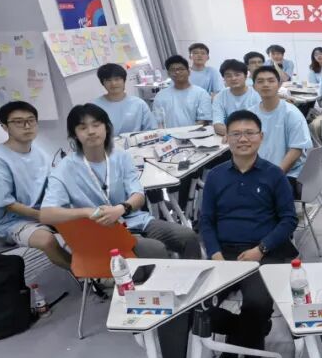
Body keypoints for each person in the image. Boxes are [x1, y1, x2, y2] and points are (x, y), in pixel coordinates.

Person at [200, 110, 299, 358]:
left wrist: (261, 249)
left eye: (249, 133)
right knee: (199, 307)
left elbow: (289, 220)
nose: (243, 139)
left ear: (261, 137)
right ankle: (253, 333)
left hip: (264, 250)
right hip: (224, 252)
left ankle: (233, 347)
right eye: (236, 134)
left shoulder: (274, 175)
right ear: (227, 138)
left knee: (257, 302)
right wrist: (215, 253)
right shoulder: (215, 176)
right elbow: (206, 221)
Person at [39, 104, 201, 260]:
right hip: (100, 231)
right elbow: (46, 215)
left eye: (96, 125)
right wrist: (87, 212)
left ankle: (196, 278)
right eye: (83, 128)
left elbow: (138, 195)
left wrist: (121, 208)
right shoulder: (65, 168)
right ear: (74, 134)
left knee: (188, 237)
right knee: (155, 249)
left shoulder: (120, 156)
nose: (91, 131)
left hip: (134, 221)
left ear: (106, 128)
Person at [0, 101, 71, 270]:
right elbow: (8, 204)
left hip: (44, 211)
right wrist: (44, 216)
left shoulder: (39, 151)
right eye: (18, 122)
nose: (27, 126)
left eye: (31, 120)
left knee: (92, 217)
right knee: (47, 240)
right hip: (12, 222)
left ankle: (99, 261)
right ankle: (85, 274)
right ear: (5, 127)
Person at [250, 66, 312, 196]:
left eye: (271, 80)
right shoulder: (250, 114)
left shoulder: (291, 113)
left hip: (287, 173)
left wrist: (274, 176)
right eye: (260, 81)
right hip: (257, 172)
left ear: (279, 85)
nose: (265, 84)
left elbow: (296, 150)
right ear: (254, 86)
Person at [93, 63, 154, 134]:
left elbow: (151, 130)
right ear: (102, 83)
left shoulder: (139, 104)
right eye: (108, 80)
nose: (113, 83)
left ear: (124, 80)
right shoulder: (95, 107)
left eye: (117, 79)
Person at [154, 55, 212, 128]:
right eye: (173, 70)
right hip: (169, 134)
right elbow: (158, 121)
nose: (177, 72)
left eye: (181, 69)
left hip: (195, 133)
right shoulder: (161, 96)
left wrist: (188, 133)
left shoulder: (201, 93)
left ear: (189, 72)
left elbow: (204, 120)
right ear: (168, 74)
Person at [211, 58, 261, 136]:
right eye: (228, 76)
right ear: (224, 78)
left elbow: (261, 124)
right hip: (228, 137)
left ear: (245, 76)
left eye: (237, 75)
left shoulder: (257, 95)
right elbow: (217, 125)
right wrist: (237, 135)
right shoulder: (219, 97)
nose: (233, 78)